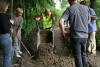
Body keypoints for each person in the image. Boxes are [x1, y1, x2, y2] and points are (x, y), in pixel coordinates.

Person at [59, 0, 90, 67]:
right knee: (83, 54)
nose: (68, 1)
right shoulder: (86, 8)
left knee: (78, 56)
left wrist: (63, 31)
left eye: (68, 0)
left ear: (70, 0)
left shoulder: (70, 9)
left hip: (75, 37)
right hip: (85, 36)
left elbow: (61, 21)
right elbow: (88, 21)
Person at [0, 0, 14, 67]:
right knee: (7, 56)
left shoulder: (1, 16)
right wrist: (11, 23)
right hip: (5, 37)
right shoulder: (2, 15)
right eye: (7, 6)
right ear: (3, 6)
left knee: (12, 52)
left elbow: (4, 26)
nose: (7, 8)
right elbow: (5, 29)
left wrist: (9, 27)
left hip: (3, 36)